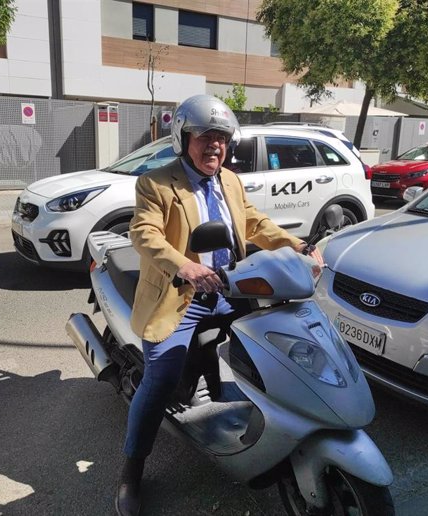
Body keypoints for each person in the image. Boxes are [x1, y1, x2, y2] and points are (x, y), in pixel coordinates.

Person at [115, 94, 324, 516]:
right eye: (205, 137)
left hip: (230, 288)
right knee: (161, 377)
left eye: (222, 139)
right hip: (182, 296)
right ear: (183, 138)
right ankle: (131, 473)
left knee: (278, 349)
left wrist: (299, 244)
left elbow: (254, 223)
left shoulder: (230, 180)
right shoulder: (155, 183)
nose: (214, 146)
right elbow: (145, 234)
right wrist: (185, 267)